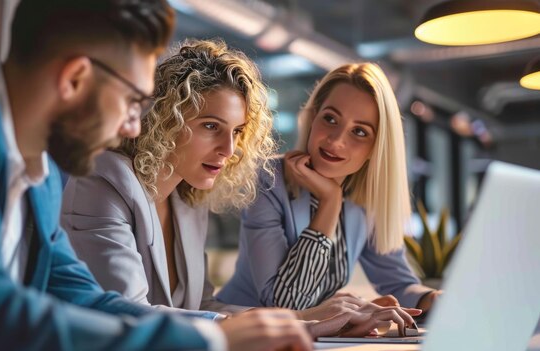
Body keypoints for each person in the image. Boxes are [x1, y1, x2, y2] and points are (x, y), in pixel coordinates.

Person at [0, 1, 312, 350]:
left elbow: (84, 299)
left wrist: (235, 331)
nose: (134, 128)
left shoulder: (43, 169)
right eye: (132, 101)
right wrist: (208, 342)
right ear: (74, 78)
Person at [62, 40, 421, 337]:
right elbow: (131, 314)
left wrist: (311, 323)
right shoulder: (104, 182)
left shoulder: (187, 201)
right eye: (210, 126)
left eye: (236, 132)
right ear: (165, 119)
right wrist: (301, 325)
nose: (229, 150)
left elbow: (202, 308)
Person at [217, 63, 441, 315]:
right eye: (330, 119)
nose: (336, 141)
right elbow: (283, 303)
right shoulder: (268, 180)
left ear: (376, 148)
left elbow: (399, 284)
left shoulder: (364, 201)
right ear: (313, 119)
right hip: (245, 336)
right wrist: (330, 200)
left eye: (359, 131)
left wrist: (432, 299)